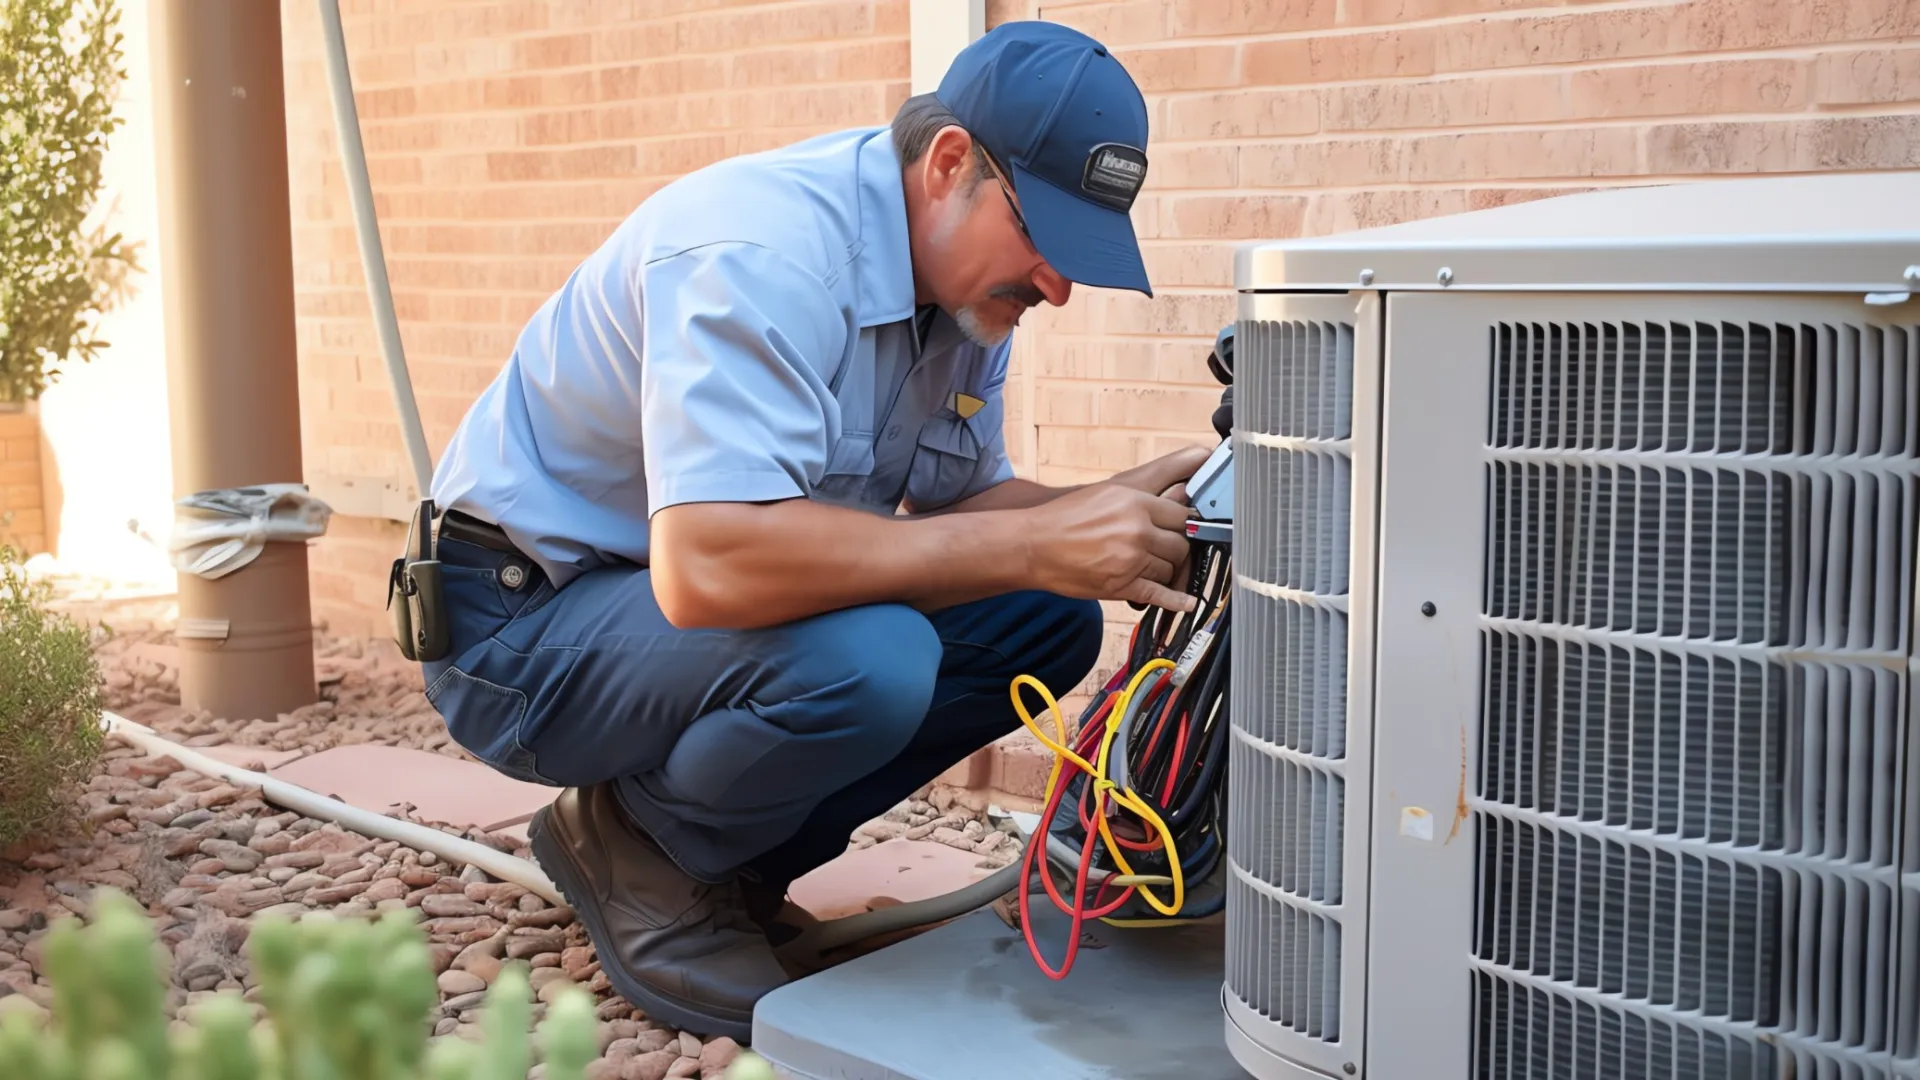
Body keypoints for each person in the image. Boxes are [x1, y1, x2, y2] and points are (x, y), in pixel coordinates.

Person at [418, 20, 1207, 1041]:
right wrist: (1031, 542)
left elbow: (958, 516)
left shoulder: (964, 302)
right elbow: (709, 567)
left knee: (1042, 618)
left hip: (665, 620)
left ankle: (731, 862)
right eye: (1043, 237)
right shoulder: (761, 252)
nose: (1057, 284)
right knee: (870, 659)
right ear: (949, 164)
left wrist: (1108, 507)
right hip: (519, 627)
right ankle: (642, 850)